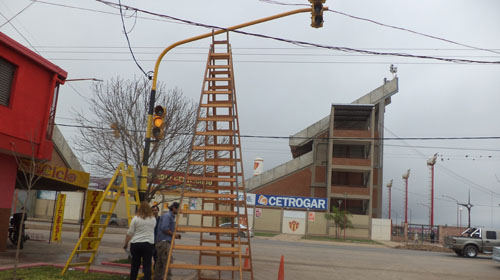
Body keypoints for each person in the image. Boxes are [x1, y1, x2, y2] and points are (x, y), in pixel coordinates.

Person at [124, 201, 156, 280]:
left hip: (136, 243)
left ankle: (133, 278)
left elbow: (130, 232)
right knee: (147, 265)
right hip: (148, 244)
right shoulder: (153, 219)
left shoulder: (135, 218)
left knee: (135, 265)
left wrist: (126, 243)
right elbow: (153, 228)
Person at [154, 202, 181, 280]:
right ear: (174, 208)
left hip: (164, 242)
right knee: (167, 262)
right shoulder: (168, 216)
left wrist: (175, 235)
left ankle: (158, 278)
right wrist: (174, 235)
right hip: (164, 242)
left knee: (160, 262)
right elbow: (165, 228)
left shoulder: (171, 216)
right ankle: (166, 278)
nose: (179, 211)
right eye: (178, 209)